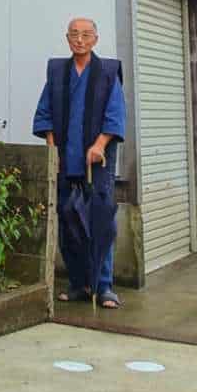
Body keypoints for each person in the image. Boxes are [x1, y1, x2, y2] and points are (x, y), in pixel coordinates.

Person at [32, 17, 125, 308]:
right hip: (65, 161)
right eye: (74, 34)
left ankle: (104, 285)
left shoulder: (108, 72)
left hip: (96, 163)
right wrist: (52, 150)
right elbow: (45, 112)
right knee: (69, 222)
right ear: (67, 38)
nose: (80, 40)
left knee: (99, 221)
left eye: (86, 35)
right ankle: (77, 283)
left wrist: (100, 144)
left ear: (95, 39)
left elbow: (115, 113)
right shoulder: (58, 72)